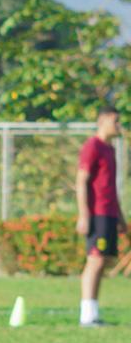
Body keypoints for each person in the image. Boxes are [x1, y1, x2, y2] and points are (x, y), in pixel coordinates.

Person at [77, 107, 125, 327]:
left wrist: (121, 217)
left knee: (103, 260)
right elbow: (81, 181)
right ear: (103, 121)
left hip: (109, 213)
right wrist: (84, 215)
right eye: (115, 121)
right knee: (95, 260)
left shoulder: (110, 149)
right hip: (96, 213)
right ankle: (87, 315)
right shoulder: (92, 146)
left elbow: (110, 187)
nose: (119, 126)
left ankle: (93, 312)